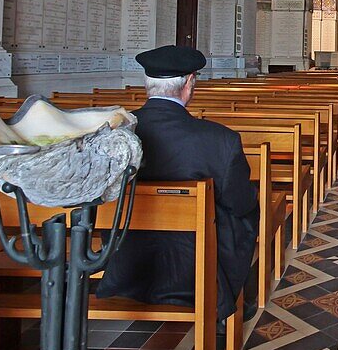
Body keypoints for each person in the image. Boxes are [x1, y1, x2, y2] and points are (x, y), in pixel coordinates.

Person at [97, 45, 259, 324]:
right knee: (245, 209)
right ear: (189, 84)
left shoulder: (110, 134)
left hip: (126, 259)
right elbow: (241, 203)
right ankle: (223, 295)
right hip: (196, 265)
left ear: (147, 85)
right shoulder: (220, 140)